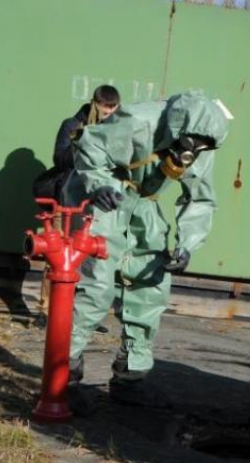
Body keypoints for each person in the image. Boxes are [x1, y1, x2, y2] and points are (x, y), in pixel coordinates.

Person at [63, 89, 231, 412]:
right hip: (103, 193)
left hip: (143, 201)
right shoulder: (138, 122)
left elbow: (200, 198)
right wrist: (98, 187)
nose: (191, 155)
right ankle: (64, 374)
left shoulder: (204, 140)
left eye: (200, 149)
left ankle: (130, 377)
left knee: (151, 281)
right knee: (96, 284)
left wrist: (187, 244)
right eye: (187, 146)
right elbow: (90, 148)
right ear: (178, 130)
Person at [49, 84, 121, 334]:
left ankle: (84, 314)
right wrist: (85, 146)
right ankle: (49, 311)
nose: (108, 112)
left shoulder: (116, 129)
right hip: (68, 199)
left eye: (113, 107)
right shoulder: (72, 125)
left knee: (90, 258)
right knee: (59, 254)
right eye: (105, 106)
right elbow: (58, 158)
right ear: (94, 103)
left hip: (95, 203)